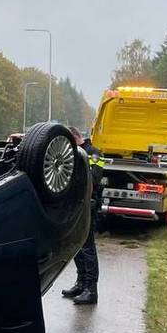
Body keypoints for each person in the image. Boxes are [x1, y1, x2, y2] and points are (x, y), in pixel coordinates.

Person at [63, 126, 103, 305]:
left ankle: (91, 289)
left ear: (75, 137)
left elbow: (93, 178)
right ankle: (80, 283)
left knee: (87, 248)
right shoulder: (72, 153)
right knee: (77, 247)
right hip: (75, 206)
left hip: (88, 206)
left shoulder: (93, 153)